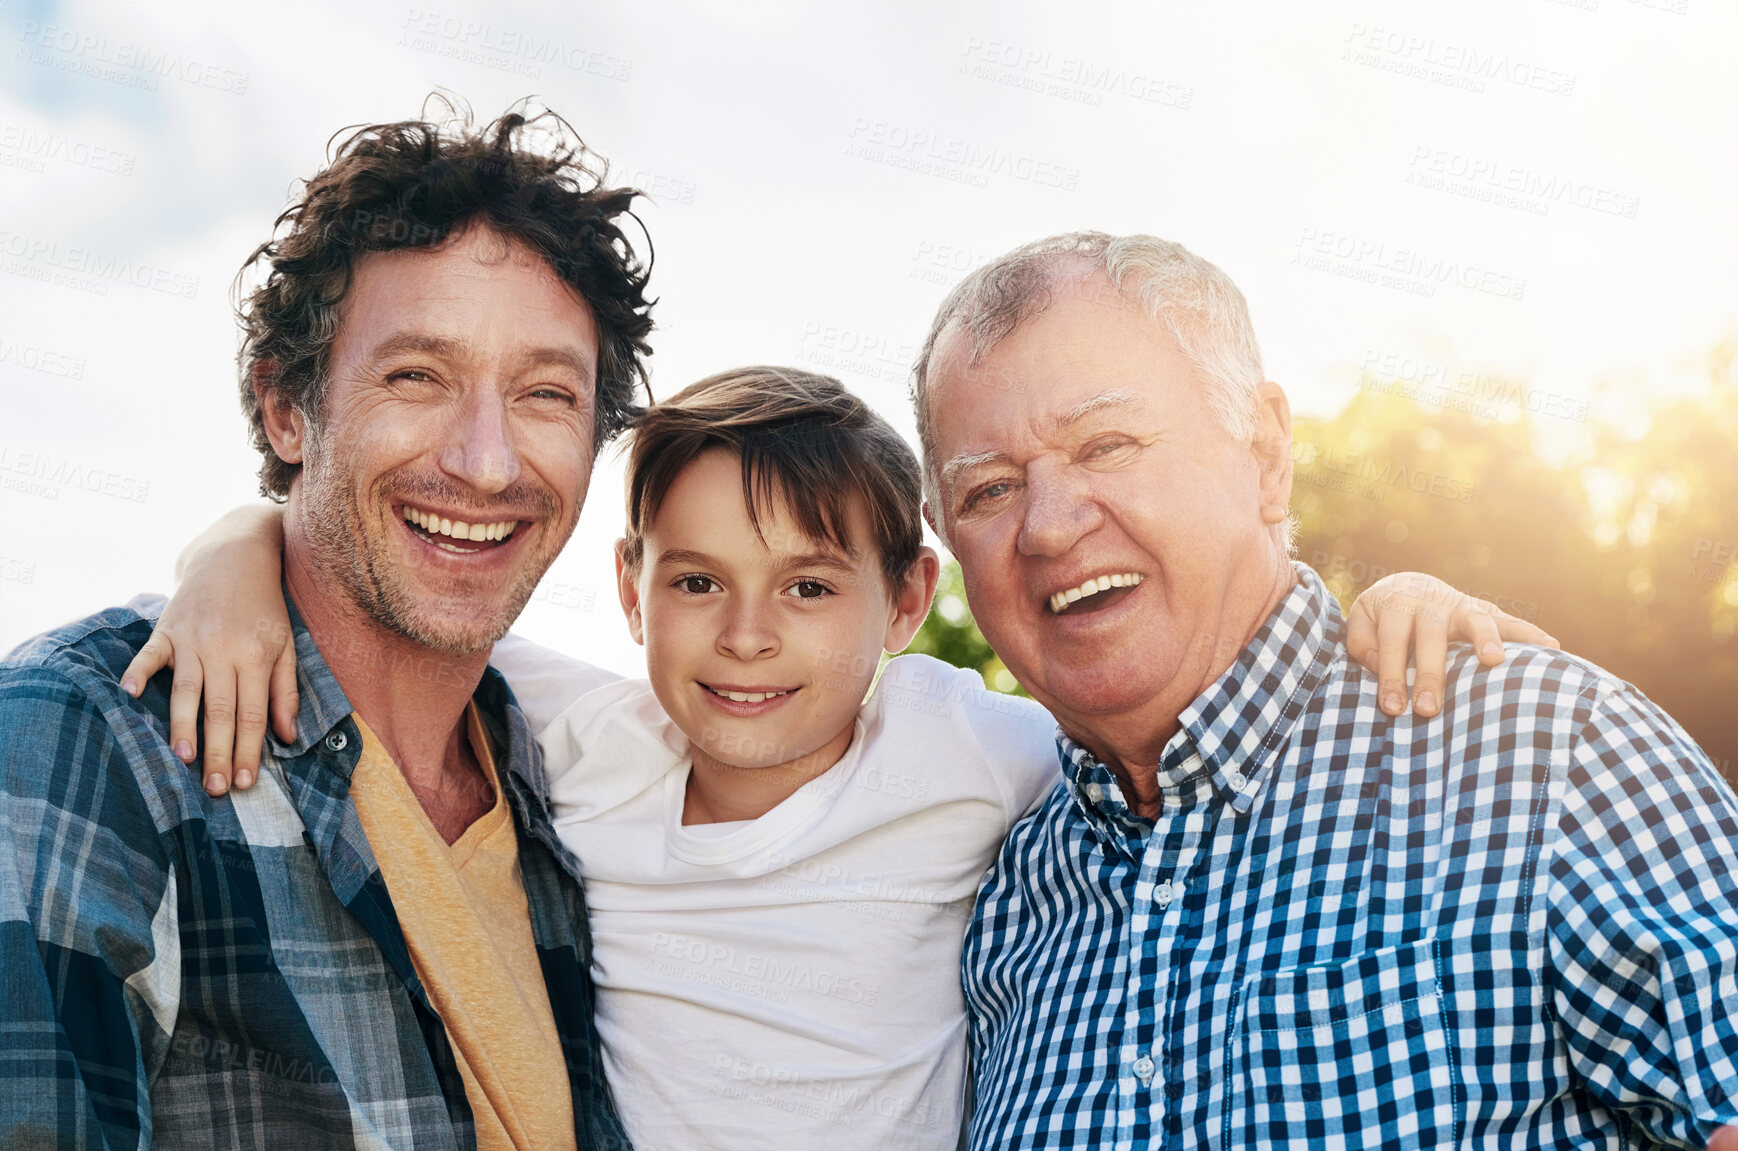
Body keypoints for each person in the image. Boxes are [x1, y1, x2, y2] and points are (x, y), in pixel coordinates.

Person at [123, 367, 1547, 1151]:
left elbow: (1189, 721)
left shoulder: (970, 745)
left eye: (809, 586)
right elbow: (368, 618)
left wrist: (1392, 597)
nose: (747, 637)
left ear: (905, 595)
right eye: (696, 583)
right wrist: (233, 551)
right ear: (630, 587)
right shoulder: (571, 732)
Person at [910, 230, 1738, 1148]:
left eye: (1107, 444)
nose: (1050, 526)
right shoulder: (1000, 896)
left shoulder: (1547, 752)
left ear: (1265, 453)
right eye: (988, 491)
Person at [0, 103, 649, 1149]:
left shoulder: (566, 780)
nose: (487, 461)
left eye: (544, 393)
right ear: (287, 409)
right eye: (415, 376)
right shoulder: (88, 737)